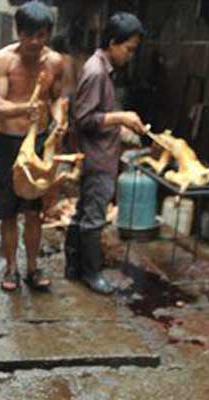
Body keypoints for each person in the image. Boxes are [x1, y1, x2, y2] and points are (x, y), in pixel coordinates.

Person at [65, 12, 147, 295]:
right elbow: (84, 119)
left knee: (83, 212)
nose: (130, 56)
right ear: (113, 42)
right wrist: (120, 118)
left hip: (101, 153)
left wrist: (122, 125)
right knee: (93, 218)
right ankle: (91, 273)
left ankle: (73, 266)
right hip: (98, 157)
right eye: (129, 49)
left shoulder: (102, 68)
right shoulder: (96, 71)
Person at [0, 1, 65, 292]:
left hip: (39, 141)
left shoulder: (54, 62)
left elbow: (56, 98)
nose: (34, 41)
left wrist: (59, 119)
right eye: (28, 34)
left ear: (48, 34)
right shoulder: (3, 60)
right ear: (18, 32)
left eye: (40, 35)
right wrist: (25, 109)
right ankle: (11, 268)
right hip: (8, 142)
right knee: (8, 212)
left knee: (34, 212)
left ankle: (32, 267)